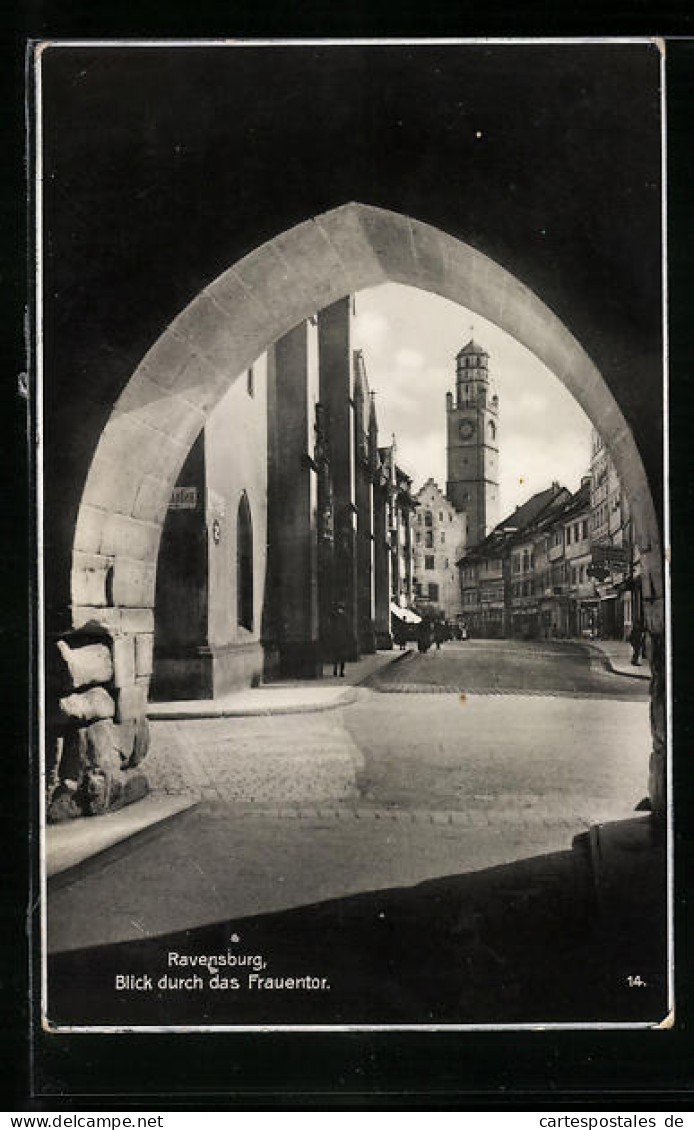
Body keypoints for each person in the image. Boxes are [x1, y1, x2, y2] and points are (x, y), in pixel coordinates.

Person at [330, 602, 349, 677]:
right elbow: (347, 629)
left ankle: (335, 670)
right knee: (342, 656)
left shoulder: (334, 617)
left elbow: (331, 628)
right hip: (343, 640)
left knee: (335, 656)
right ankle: (341, 672)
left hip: (335, 640)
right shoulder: (344, 617)